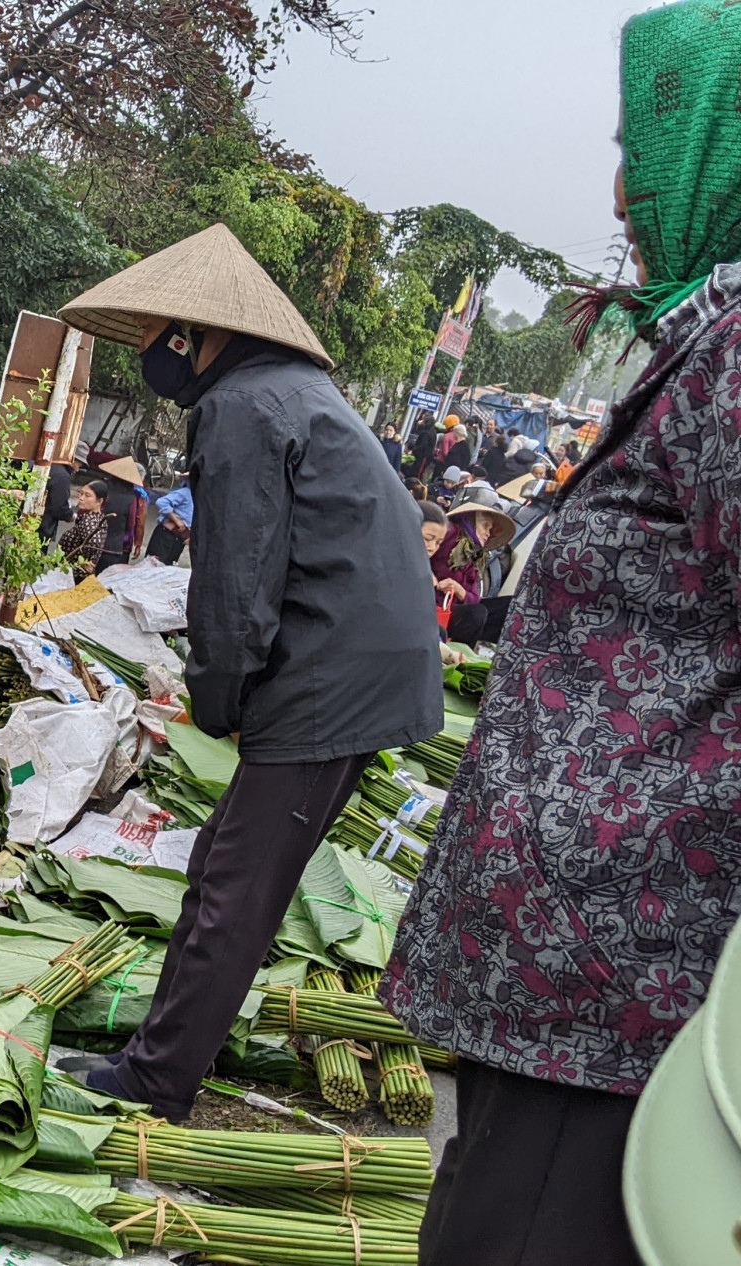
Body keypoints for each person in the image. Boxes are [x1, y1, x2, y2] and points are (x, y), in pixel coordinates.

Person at [386, 10, 741, 1261]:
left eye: (637, 148)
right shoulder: (703, 344)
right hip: (577, 976)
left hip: (619, 984)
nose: (618, 189)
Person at [54, 221, 441, 1123]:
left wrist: (217, 698)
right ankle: (169, 1045)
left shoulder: (242, 408)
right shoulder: (293, 391)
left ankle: (159, 1082)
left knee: (236, 886)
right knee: (227, 869)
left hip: (333, 672)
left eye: (156, 337)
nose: (151, 353)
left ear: (195, 337)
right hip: (356, 657)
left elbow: (235, 582)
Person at [428, 487, 515, 606]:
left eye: (490, 530)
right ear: (471, 521)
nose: (488, 533)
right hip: (430, 602)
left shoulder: (476, 555)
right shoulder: (450, 532)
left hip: (452, 609)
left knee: (509, 604)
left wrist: (459, 590)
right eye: (485, 526)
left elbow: (475, 598)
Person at [56, 480, 109, 580]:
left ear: (99, 501)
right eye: (81, 493)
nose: (81, 498)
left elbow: (94, 542)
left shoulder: (89, 522)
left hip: (73, 576)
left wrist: (84, 561)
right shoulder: (99, 517)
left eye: (87, 495)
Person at [149, 478, 193, 565]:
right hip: (166, 535)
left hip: (179, 538)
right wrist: (176, 520)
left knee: (169, 566)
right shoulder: (185, 492)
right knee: (154, 565)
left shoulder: (198, 497)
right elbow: (161, 502)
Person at [37, 461, 76, 544]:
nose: (78, 469)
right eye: (79, 465)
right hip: (42, 524)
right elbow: (58, 506)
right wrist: (70, 515)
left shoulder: (49, 466)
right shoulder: (62, 476)